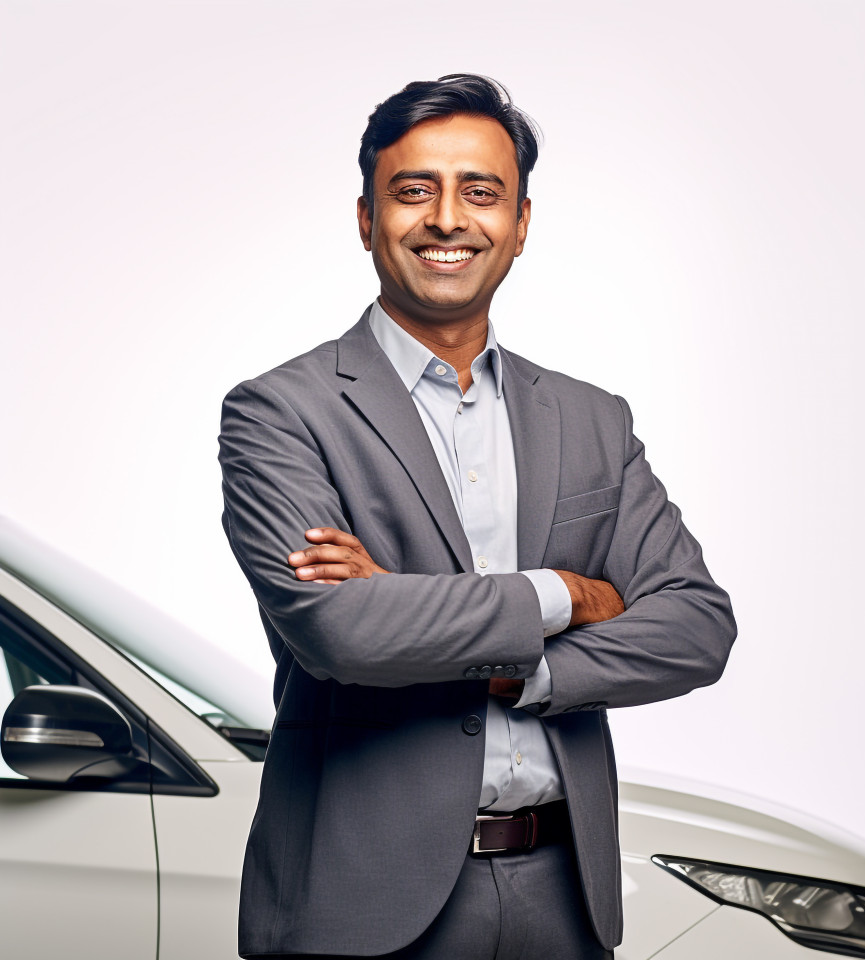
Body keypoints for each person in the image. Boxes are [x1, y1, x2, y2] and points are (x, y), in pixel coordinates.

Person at [218, 73, 737, 960]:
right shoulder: (280, 412)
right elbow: (341, 632)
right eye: (414, 190)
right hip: (363, 906)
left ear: (521, 224)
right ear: (365, 218)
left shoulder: (591, 420)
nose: (447, 219)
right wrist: (567, 593)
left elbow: (696, 627)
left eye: (481, 192)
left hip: (562, 901)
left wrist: (513, 669)